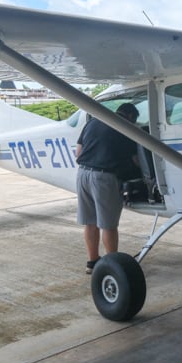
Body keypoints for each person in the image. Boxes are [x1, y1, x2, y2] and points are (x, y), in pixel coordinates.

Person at [76, 103, 140, 274]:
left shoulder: (93, 121)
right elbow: (136, 160)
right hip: (104, 177)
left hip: (82, 174)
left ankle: (92, 262)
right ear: (131, 117)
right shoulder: (125, 127)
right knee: (108, 225)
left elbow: (78, 152)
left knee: (90, 222)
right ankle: (113, 266)